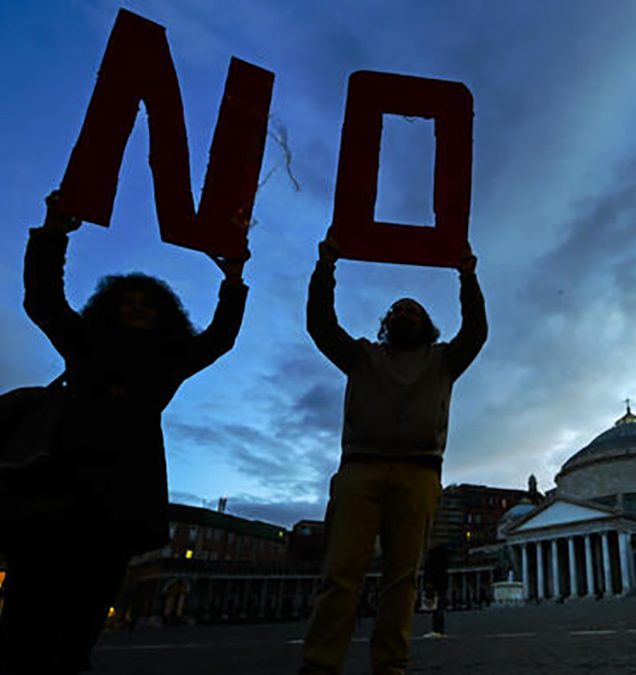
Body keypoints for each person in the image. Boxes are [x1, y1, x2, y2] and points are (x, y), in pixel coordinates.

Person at [0, 191, 248, 675]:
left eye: (147, 306)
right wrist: (52, 234)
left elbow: (219, 338)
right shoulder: (84, 344)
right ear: (109, 308)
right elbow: (44, 298)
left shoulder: (166, 363)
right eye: (129, 302)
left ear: (163, 319)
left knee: (80, 627)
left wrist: (234, 281)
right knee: (24, 622)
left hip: (116, 507)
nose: (137, 309)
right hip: (52, 494)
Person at [299, 236, 487, 675]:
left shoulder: (445, 360)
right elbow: (320, 325)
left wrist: (468, 277)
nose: (405, 314)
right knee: (341, 573)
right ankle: (319, 664)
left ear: (427, 325)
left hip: (419, 473)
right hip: (359, 468)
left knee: (403, 578)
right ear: (387, 324)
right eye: (398, 311)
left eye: (413, 311)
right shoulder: (361, 354)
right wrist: (325, 267)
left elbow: (476, 331)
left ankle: (391, 665)